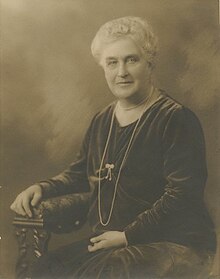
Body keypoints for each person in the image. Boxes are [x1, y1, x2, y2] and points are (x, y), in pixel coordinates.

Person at [10, 16, 216, 278]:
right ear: (103, 67)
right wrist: (40, 188)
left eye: (132, 59)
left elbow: (183, 194)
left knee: (106, 272)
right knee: (45, 269)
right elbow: (79, 175)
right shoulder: (102, 119)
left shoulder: (175, 118)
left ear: (149, 62)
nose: (122, 72)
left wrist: (128, 236)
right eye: (112, 62)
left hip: (176, 243)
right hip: (113, 242)